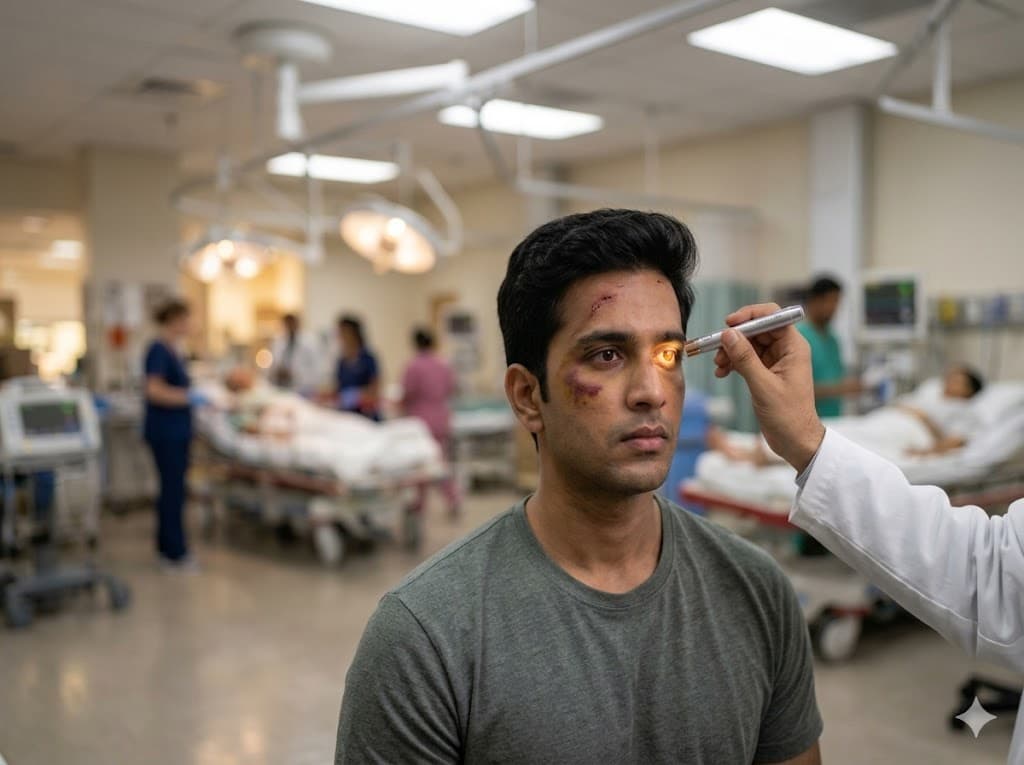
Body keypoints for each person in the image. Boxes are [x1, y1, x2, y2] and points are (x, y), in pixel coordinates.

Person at [336, 210, 823, 764]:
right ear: (526, 396)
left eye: (668, 355)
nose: (650, 392)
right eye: (607, 355)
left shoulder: (757, 592)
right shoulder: (426, 638)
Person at [714, 303, 1024, 764]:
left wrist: (923, 435)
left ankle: (748, 451)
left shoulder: (971, 415)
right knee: (857, 430)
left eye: (960, 377)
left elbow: (988, 571)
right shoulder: (928, 397)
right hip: (892, 423)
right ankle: (753, 449)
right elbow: (991, 572)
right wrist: (805, 441)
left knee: (870, 438)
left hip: (912, 437)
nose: (951, 381)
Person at [143, 300, 205, 570]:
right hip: (166, 432)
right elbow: (154, 390)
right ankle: (174, 552)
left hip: (175, 431)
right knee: (173, 492)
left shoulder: (173, 351)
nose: (189, 325)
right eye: (186, 319)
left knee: (172, 491)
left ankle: (166, 547)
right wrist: (189, 397)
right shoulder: (158, 350)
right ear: (174, 319)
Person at [401, 327, 460, 518]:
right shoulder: (443, 364)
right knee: (440, 462)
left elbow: (408, 393)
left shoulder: (413, 366)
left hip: (421, 421)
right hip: (441, 418)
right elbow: (451, 389)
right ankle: (453, 499)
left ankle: (419, 504)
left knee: (422, 465)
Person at [797, 276, 862, 417]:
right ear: (814, 300)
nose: (834, 308)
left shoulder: (833, 340)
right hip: (806, 424)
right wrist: (841, 389)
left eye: (837, 302)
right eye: (830, 301)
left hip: (833, 423)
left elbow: (835, 378)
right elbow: (795, 391)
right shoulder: (798, 336)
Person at [334, 315, 380, 420]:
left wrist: (357, 396)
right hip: (347, 416)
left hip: (366, 416)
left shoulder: (368, 358)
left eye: (343, 332)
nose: (340, 336)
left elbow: (375, 390)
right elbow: (339, 388)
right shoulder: (341, 361)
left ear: (354, 333)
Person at [268, 313, 321, 395]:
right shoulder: (279, 342)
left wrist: (294, 375)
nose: (289, 326)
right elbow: (273, 366)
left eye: (291, 323)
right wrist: (277, 373)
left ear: (297, 323)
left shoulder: (310, 341)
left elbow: (317, 370)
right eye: (287, 324)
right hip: (282, 387)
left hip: (304, 389)